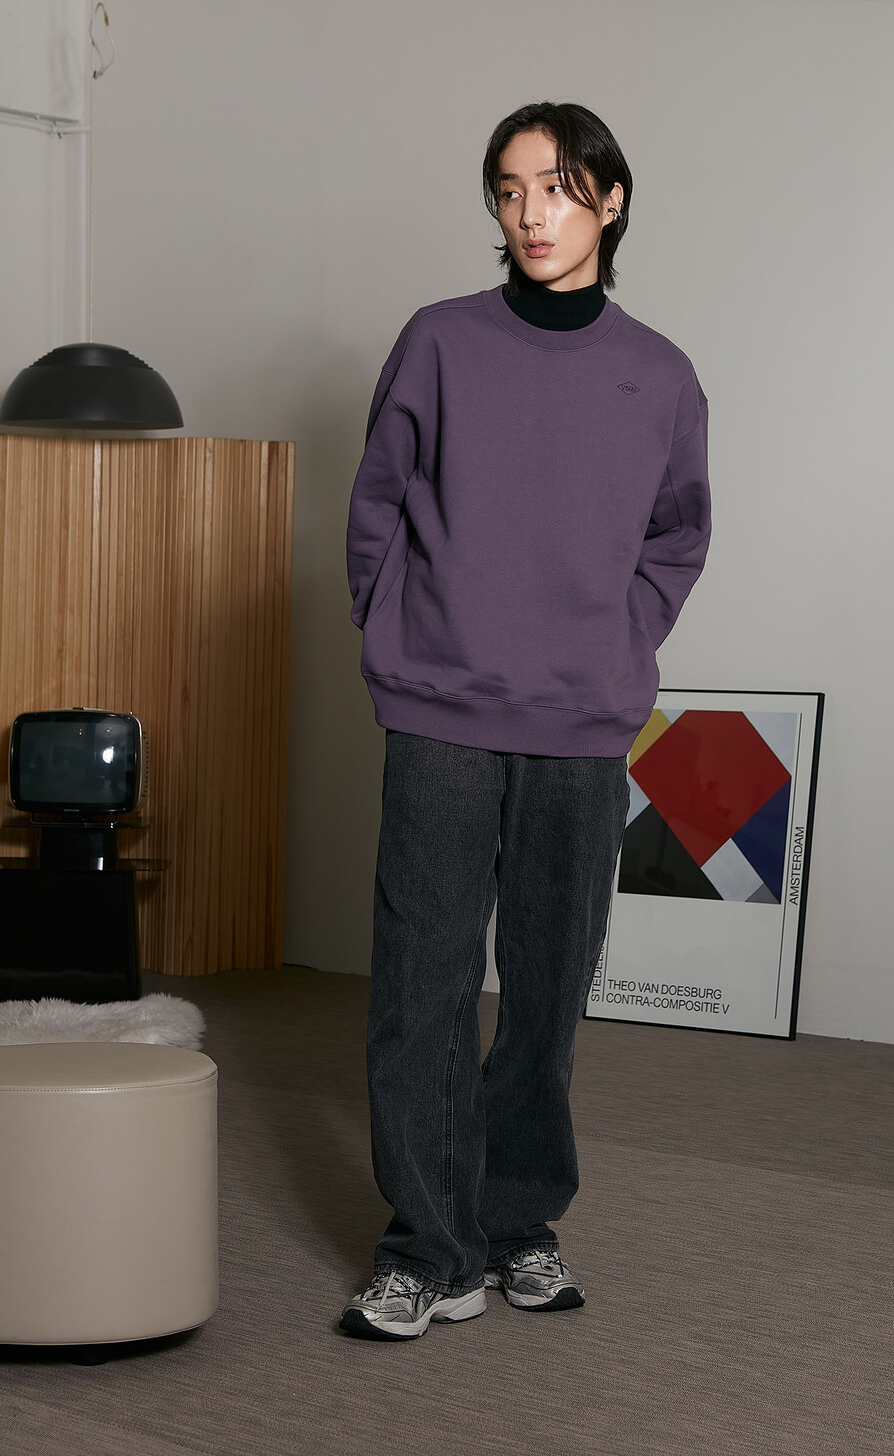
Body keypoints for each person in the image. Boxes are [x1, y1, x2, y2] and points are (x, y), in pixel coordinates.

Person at [340, 101, 711, 1340]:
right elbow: (376, 503)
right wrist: (394, 635)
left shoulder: (660, 374)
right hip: (440, 710)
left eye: (556, 187)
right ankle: (428, 1248)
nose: (530, 213)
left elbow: (678, 535)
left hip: (580, 724)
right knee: (423, 985)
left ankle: (515, 1225)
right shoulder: (440, 342)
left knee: (548, 992)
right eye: (509, 190)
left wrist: (618, 640)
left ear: (610, 198)